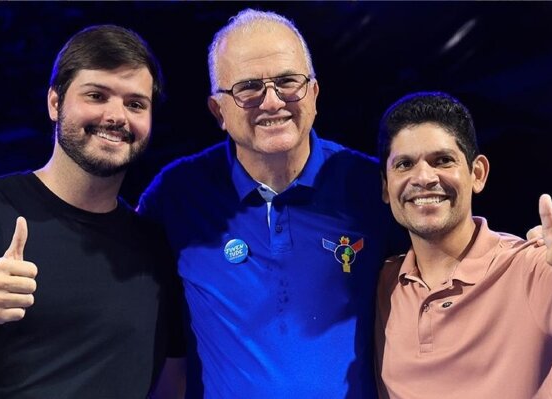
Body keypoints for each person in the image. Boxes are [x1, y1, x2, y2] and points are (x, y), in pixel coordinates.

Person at [0, 25, 183, 398]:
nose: (116, 115)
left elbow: (172, 385)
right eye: (96, 95)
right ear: (55, 103)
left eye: (135, 104)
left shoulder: (155, 249)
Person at [137, 8, 406, 398]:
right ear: (219, 111)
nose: (272, 101)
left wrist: (523, 254)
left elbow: (449, 260)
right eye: (248, 88)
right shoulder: (177, 194)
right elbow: (114, 280)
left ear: (313, 93)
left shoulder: (372, 186)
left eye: (287, 82)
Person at [374, 92, 552, 398]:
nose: (424, 177)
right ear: (386, 187)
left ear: (477, 174)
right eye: (404, 164)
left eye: (443, 160)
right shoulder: (383, 283)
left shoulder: (528, 264)